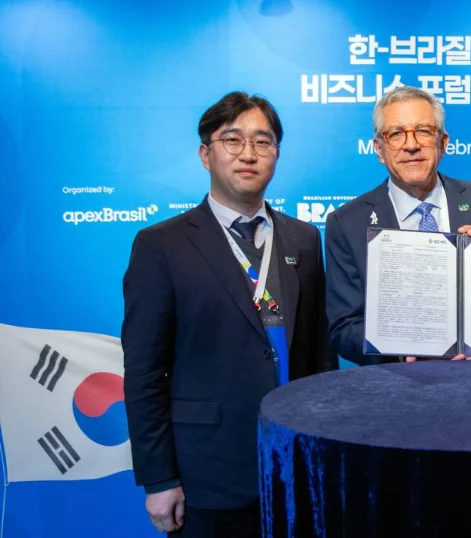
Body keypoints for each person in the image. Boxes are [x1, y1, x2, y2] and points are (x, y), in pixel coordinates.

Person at [122, 91, 335, 537]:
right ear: (206, 154)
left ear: (276, 154)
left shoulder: (303, 239)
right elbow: (143, 373)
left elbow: (320, 359)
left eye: (263, 142)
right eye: (232, 140)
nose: (248, 154)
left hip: (296, 463)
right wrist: (160, 478)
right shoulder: (162, 245)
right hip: (208, 471)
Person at [325, 86, 471, 365]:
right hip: (397, 389)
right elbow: (343, 327)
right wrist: (399, 348)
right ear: (379, 149)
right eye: (396, 134)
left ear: (443, 142)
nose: (411, 145)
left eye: (423, 131)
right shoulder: (347, 223)